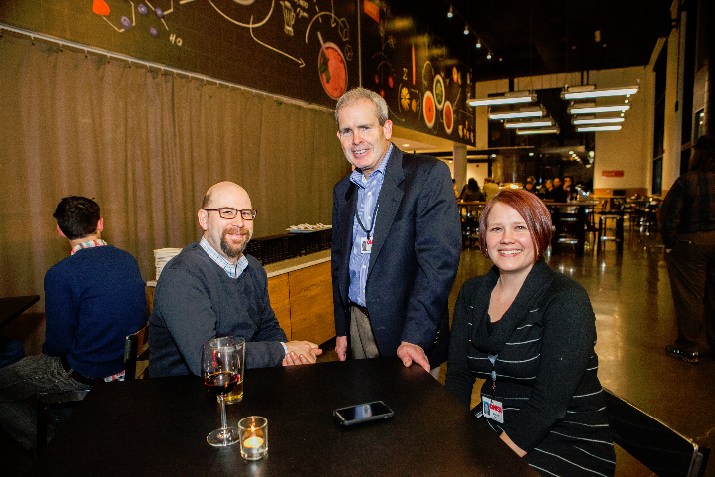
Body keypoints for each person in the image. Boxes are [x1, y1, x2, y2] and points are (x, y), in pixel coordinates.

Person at [445, 190, 615, 476]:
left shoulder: (565, 300)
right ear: (484, 237)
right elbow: (459, 376)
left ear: (540, 233)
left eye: (520, 227)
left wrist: (490, 463)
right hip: (496, 420)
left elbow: (548, 405)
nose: (507, 238)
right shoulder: (472, 294)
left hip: (565, 439)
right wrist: (448, 438)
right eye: (496, 228)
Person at [331, 87, 461, 374]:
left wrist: (414, 337)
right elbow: (340, 265)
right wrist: (342, 328)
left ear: (386, 128)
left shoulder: (428, 176)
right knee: (364, 409)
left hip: (408, 330)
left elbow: (437, 266)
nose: (357, 140)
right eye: (347, 131)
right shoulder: (342, 191)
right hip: (357, 325)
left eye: (365, 127)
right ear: (339, 137)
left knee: (411, 417)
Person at [0, 196, 147, 450]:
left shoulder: (61, 274)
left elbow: (58, 344)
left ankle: (54, 447)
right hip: (126, 367)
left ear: (59, 229)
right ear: (100, 224)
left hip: (86, 371)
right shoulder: (127, 259)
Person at [149, 181, 322, 377]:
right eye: (227, 212)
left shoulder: (253, 268)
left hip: (239, 383)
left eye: (246, 213)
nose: (239, 222)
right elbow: (207, 359)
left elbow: (268, 327)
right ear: (204, 219)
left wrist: (287, 355)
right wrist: (283, 350)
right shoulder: (182, 276)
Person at [661, 135, 715, 363]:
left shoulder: (687, 181)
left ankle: (689, 345)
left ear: (698, 155)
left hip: (692, 243)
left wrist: (670, 243)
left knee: (690, 295)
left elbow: (670, 214)